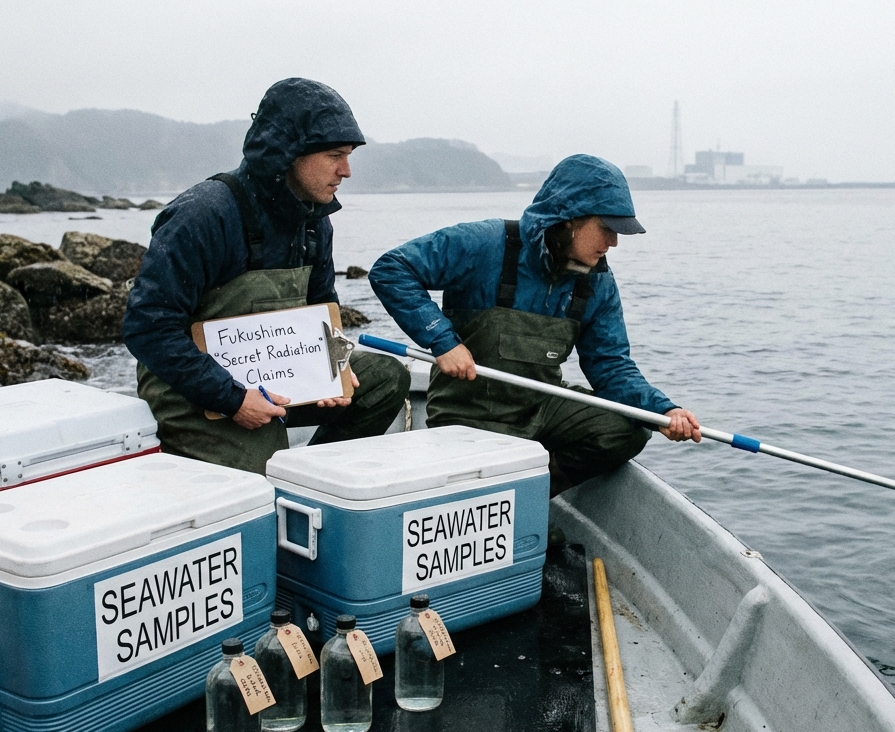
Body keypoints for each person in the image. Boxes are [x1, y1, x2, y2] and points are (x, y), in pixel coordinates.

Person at [369, 154, 700, 498]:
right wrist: (443, 341)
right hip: (468, 414)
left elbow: (611, 365)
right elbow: (392, 269)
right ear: (570, 218)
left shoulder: (597, 280)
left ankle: (537, 495)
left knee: (625, 430)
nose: (613, 242)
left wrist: (662, 411)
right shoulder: (483, 243)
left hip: (540, 410)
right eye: (607, 228)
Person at [123, 78, 409, 474]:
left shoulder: (315, 220)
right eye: (335, 155)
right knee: (262, 472)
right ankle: (277, 479)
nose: (346, 171)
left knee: (385, 378)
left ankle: (310, 479)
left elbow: (322, 308)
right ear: (290, 154)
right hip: (195, 396)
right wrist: (232, 399)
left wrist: (333, 371)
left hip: (278, 378)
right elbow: (147, 326)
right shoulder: (203, 214)